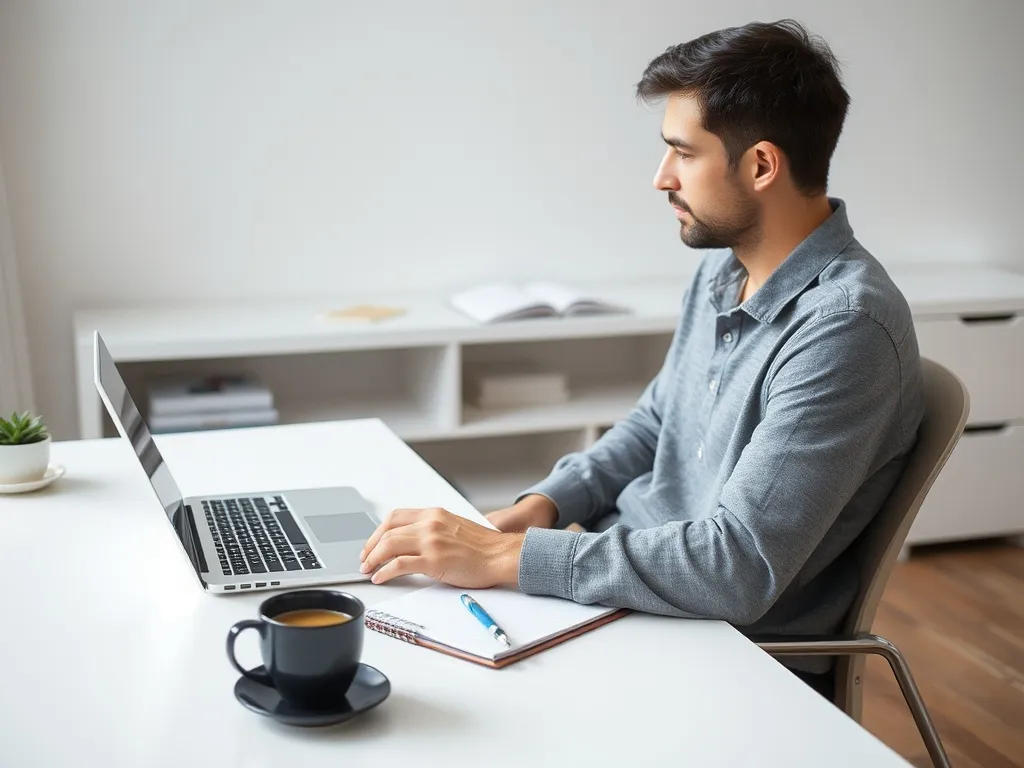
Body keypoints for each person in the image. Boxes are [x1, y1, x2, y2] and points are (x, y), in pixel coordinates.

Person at [359, 19, 925, 699]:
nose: (661, 178)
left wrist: (509, 557)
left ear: (762, 166)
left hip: (720, 651)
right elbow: (660, 423)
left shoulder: (844, 329)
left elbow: (735, 568)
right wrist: (546, 503)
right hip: (633, 592)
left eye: (682, 153)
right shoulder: (727, 270)